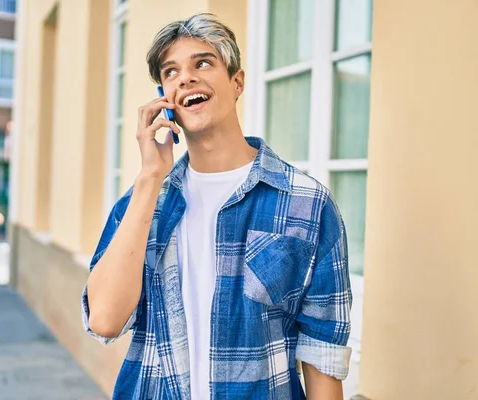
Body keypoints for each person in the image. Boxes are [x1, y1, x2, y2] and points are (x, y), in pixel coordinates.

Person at [82, 14, 352, 399]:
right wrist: (148, 178)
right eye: (171, 72)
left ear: (236, 82)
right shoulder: (142, 204)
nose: (186, 78)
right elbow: (105, 320)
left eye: (202, 63)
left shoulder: (307, 204)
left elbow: (322, 357)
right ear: (165, 98)